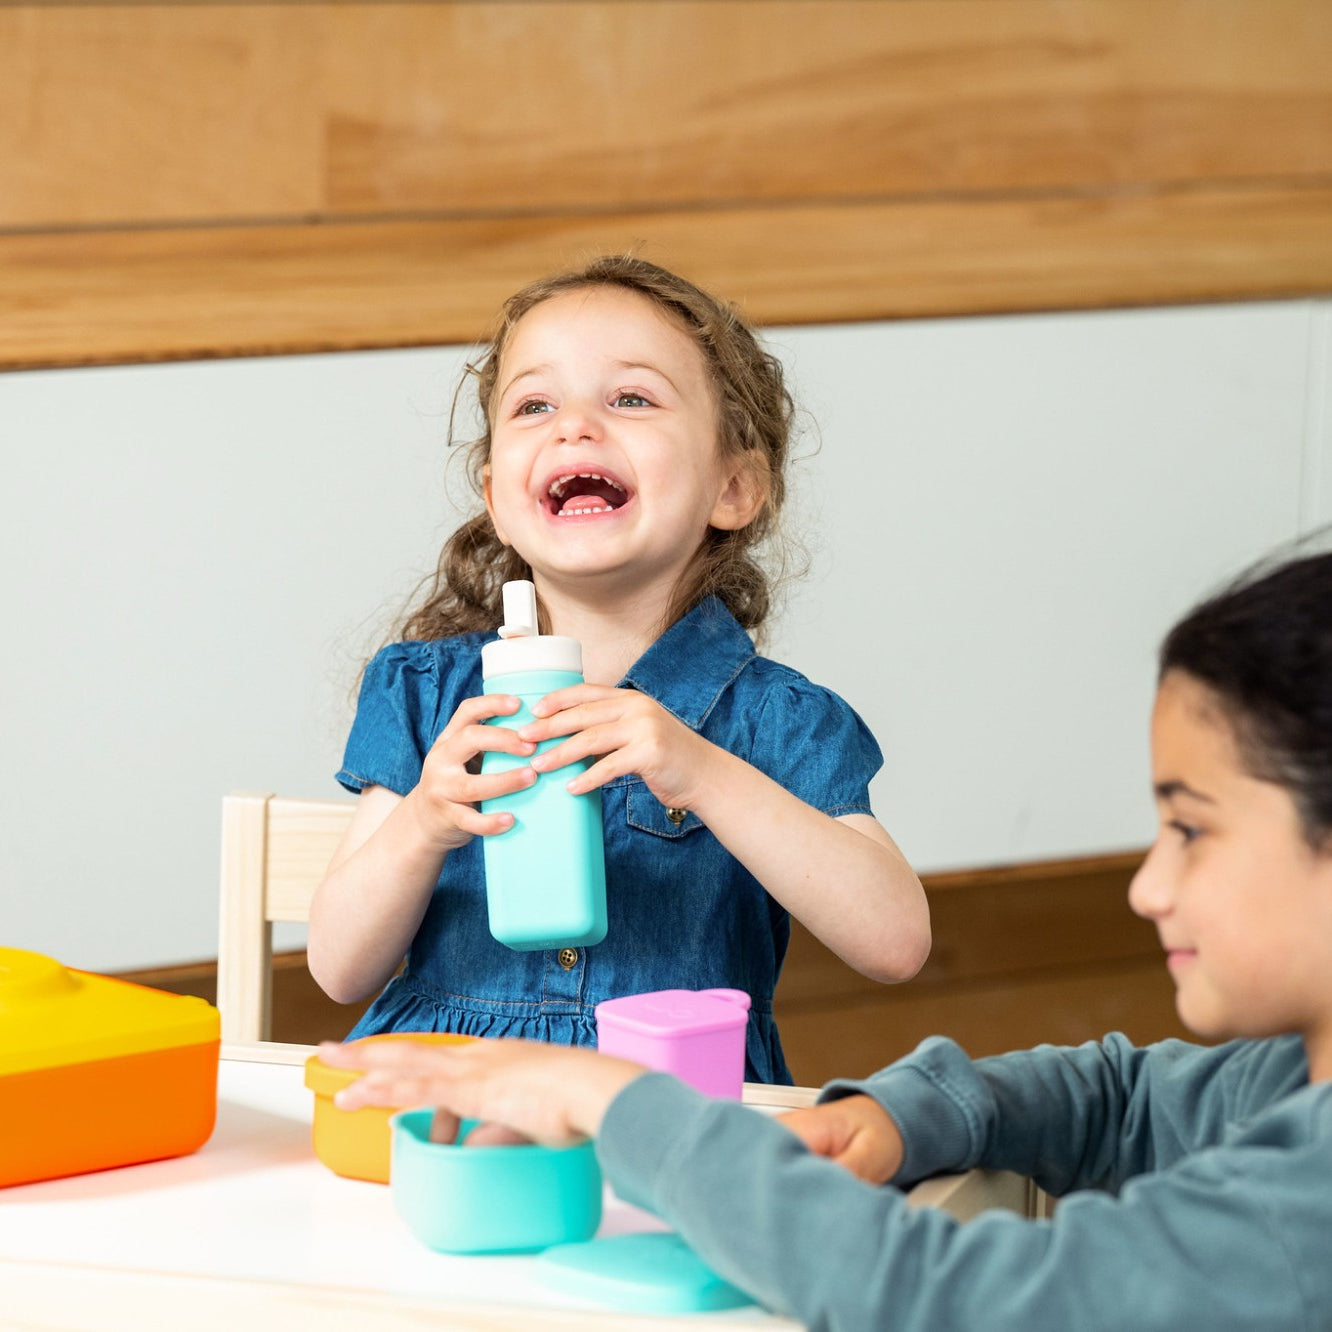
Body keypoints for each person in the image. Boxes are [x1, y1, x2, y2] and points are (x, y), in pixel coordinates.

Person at [320, 547, 1332, 1328]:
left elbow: (946, 1292)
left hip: (680, 1152)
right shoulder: (1289, 1084)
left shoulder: (1301, 1211)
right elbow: (1125, 1100)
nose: (1146, 887)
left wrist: (613, 1101)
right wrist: (904, 1112)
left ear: (738, 481)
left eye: (1191, 830)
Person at [307, 254, 930, 1085]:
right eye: (534, 404)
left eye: (631, 398)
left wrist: (702, 772)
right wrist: (425, 822)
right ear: (496, 500)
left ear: (734, 487)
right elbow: (338, 969)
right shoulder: (425, 694)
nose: (573, 426)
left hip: (671, 1113)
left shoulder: (776, 720)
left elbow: (896, 943)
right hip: (452, 1096)